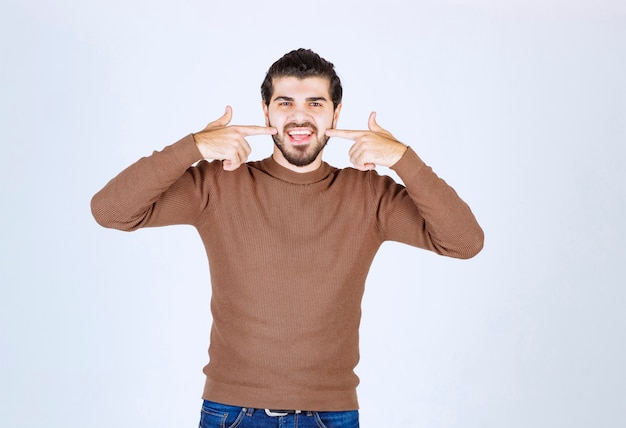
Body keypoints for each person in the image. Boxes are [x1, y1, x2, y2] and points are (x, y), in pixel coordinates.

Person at [91, 48, 484, 428]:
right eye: (285, 103)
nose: (300, 117)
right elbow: (110, 211)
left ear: (336, 112)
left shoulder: (369, 194)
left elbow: (464, 242)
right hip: (232, 412)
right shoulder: (218, 184)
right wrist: (192, 146)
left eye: (315, 104)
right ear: (266, 112)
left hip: (330, 415)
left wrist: (402, 159)